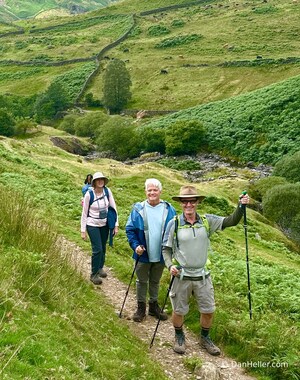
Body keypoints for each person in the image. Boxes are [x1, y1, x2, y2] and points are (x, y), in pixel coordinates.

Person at [162, 185, 250, 356]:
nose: (189, 204)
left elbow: (231, 221)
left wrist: (241, 206)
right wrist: (169, 265)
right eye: (185, 201)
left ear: (197, 202)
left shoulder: (207, 220)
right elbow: (166, 249)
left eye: (192, 201)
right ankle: (179, 337)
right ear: (181, 203)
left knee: (208, 310)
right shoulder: (174, 223)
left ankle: (205, 338)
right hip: (181, 276)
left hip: (203, 276)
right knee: (179, 310)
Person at [125, 178, 176, 322]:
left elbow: (174, 230)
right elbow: (130, 229)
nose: (152, 193)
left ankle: (153, 306)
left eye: (155, 190)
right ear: (145, 192)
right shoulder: (138, 209)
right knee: (141, 281)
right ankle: (141, 308)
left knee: (155, 280)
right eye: (149, 190)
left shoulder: (168, 209)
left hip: (161, 254)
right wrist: (135, 246)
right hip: (143, 253)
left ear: (160, 191)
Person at [81, 172, 119, 285]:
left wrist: (116, 224)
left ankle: (100, 267)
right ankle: (93, 274)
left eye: (102, 179)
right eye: (98, 180)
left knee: (103, 247)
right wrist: (83, 230)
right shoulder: (89, 194)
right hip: (92, 224)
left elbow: (113, 208)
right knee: (97, 249)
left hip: (105, 224)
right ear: (94, 182)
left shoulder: (107, 191)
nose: (100, 181)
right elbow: (84, 213)